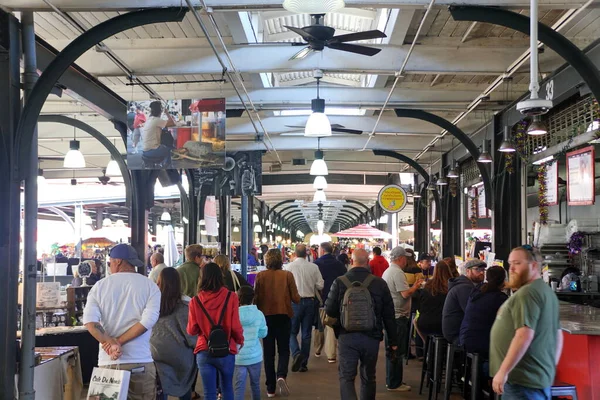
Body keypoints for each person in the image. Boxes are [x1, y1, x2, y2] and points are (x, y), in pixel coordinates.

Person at [83, 244, 161, 400]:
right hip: (140, 361)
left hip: (108, 363)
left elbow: (90, 322)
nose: (110, 266)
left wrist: (111, 343)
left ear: (117, 261)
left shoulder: (99, 287)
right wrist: (117, 342)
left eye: (110, 262)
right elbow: (148, 320)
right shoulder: (150, 286)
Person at [325, 248, 398, 400]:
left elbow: (330, 310)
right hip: (371, 337)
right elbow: (389, 316)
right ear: (368, 262)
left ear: (351, 261)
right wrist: (393, 341)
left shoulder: (339, 282)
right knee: (369, 376)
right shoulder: (379, 283)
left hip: (347, 336)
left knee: (346, 377)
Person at [490, 246, 562, 398]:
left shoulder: (527, 293)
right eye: (510, 264)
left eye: (517, 263)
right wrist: (549, 368)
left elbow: (524, 335)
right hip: (532, 379)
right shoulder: (545, 291)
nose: (512, 269)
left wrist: (503, 371)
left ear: (534, 266)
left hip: (521, 381)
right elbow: (558, 335)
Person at [187, 263, 244, 400]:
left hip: (204, 350)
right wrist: (240, 340)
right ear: (220, 276)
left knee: (209, 393)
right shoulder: (231, 297)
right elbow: (235, 326)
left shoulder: (195, 301)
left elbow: (192, 330)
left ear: (202, 278)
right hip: (227, 349)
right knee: (227, 388)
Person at [254, 249, 300, 397]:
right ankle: (281, 375)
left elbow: (256, 298)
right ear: (281, 260)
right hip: (283, 315)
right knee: (284, 349)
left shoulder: (260, 276)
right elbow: (296, 298)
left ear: (267, 260)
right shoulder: (287, 275)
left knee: (268, 353)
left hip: (266, 317)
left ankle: (270, 388)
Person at [381, 246, 424, 392]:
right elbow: (405, 294)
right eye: (405, 258)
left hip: (392, 315)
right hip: (398, 316)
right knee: (396, 350)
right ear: (400, 258)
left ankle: (393, 380)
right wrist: (416, 286)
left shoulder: (389, 271)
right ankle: (394, 383)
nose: (407, 260)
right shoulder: (397, 273)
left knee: (393, 349)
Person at [151, 268, 197, 400]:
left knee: (160, 386)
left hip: (156, 352)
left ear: (159, 282)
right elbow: (191, 336)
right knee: (185, 382)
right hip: (180, 356)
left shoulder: (152, 304)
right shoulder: (184, 306)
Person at [460, 265, 507, 380]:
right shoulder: (500, 298)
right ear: (504, 281)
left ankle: (474, 379)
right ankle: (490, 379)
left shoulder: (477, 291)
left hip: (466, 339)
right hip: (481, 344)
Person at [284, 244, 324, 372]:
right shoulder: (313, 267)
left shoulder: (288, 267)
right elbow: (321, 285)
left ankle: (296, 354)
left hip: (294, 303)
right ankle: (303, 363)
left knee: (291, 332)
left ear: (295, 254)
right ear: (306, 254)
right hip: (310, 302)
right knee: (306, 333)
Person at [313, 242, 347, 363]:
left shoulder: (316, 264)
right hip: (336, 298)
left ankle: (317, 349)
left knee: (319, 325)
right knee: (331, 325)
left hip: (320, 299)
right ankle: (331, 355)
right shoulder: (339, 264)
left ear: (322, 250)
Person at [234, 286, 267, 400]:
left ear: (238, 298)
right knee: (255, 385)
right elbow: (263, 333)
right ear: (253, 298)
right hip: (255, 356)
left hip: (238, 357)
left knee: (239, 387)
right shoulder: (259, 314)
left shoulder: (234, 315)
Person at [442, 259, 486, 345]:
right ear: (468, 271)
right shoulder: (464, 288)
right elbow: (472, 312)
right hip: (457, 334)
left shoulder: (469, 285)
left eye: (483, 270)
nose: (481, 273)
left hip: (459, 330)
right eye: (477, 269)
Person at [415, 260, 454, 342]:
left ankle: (427, 345)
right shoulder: (452, 286)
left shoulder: (427, 286)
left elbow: (420, 306)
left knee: (415, 321)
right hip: (443, 324)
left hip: (425, 324)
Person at [141, 101, 176, 165]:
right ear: (160, 111)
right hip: (152, 151)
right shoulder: (156, 120)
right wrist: (167, 113)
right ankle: (167, 167)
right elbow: (172, 123)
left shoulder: (150, 119)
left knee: (163, 147)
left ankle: (162, 164)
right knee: (170, 150)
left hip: (145, 150)